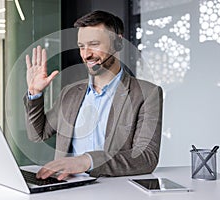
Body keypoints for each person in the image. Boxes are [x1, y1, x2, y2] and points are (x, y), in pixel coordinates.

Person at [23, 10, 163, 180]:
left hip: (115, 190)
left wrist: (87, 161)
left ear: (118, 42)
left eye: (94, 44)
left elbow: (146, 158)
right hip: (65, 188)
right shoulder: (70, 93)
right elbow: (38, 134)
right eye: (81, 46)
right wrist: (35, 93)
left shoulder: (147, 94)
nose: (86, 54)